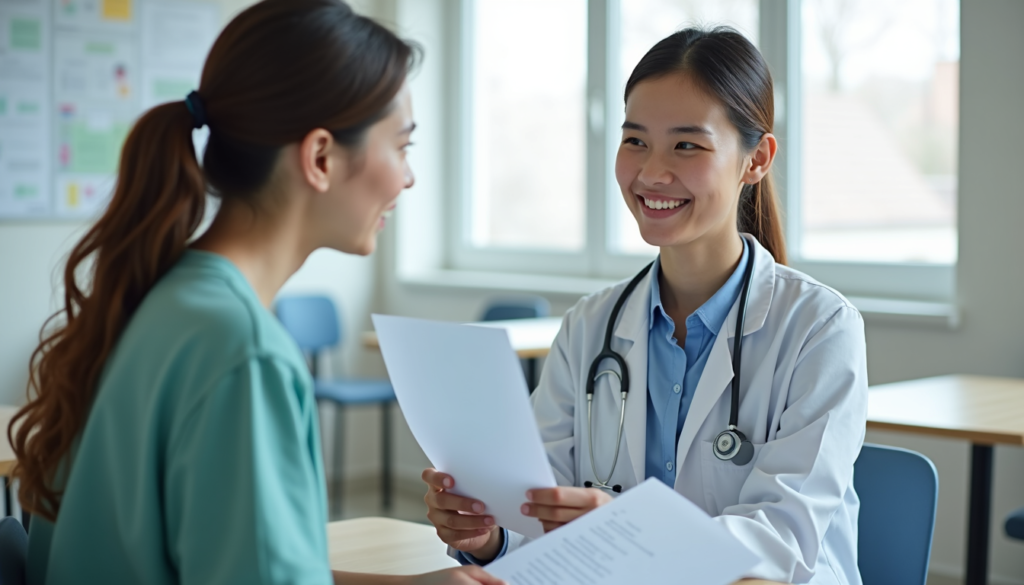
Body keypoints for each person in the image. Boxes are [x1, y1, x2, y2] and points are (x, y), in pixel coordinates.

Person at [8, 1, 504, 584]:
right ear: (320, 157)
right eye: (402, 147)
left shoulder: (153, 295)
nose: (408, 176)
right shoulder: (243, 352)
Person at [422, 27, 867, 584]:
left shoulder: (819, 329)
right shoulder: (589, 327)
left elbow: (784, 538)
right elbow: (540, 503)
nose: (652, 173)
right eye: (635, 141)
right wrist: (489, 534)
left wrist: (634, 533)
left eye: (687, 144)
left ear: (756, 160)